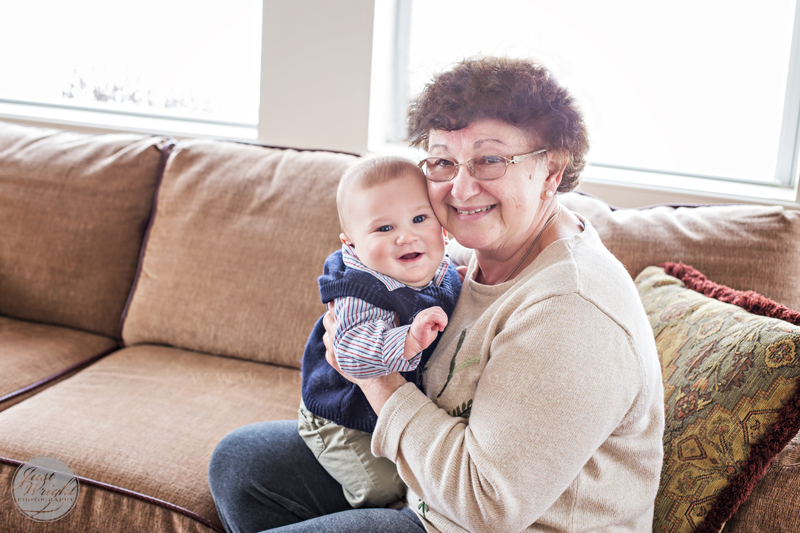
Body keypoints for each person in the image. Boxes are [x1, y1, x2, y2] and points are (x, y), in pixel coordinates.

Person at [208, 56, 665, 533]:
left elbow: (488, 506)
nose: (461, 189)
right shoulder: (480, 255)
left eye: (490, 160)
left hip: (476, 523)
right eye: (444, 162)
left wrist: (374, 377)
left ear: (551, 170)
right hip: (430, 494)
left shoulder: (572, 310)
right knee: (241, 464)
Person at [297, 156, 461, 509]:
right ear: (351, 244)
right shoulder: (359, 290)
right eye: (384, 228)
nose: (406, 236)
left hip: (386, 412)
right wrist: (407, 339)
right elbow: (349, 352)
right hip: (342, 416)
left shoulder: (437, 264)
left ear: (443, 225)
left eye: (420, 219)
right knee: (382, 487)